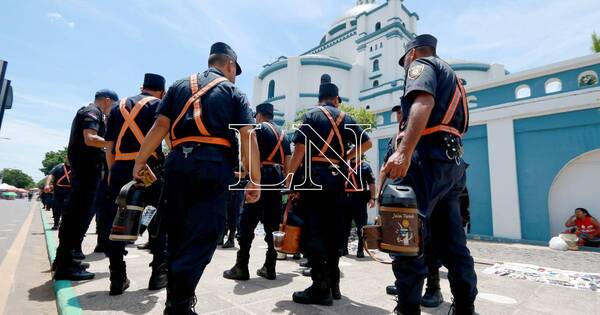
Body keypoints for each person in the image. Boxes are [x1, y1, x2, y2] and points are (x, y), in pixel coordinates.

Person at [133, 42, 261, 314]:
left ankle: (176, 303)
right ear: (229, 65)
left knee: (177, 234)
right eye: (235, 70)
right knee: (205, 235)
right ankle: (179, 304)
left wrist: (140, 159)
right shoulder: (233, 91)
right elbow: (248, 134)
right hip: (213, 166)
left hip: (177, 163)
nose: (235, 75)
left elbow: (160, 126)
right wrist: (254, 178)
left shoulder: (179, 86)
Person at [383, 34, 477, 314]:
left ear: (411, 54)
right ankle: (465, 306)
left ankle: (408, 308)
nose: (406, 70)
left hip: (426, 159)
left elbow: (422, 102)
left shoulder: (421, 65)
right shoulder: (454, 78)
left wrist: (403, 151)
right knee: (453, 242)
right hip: (451, 163)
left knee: (405, 236)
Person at [286, 77, 373, 305]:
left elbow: (299, 151)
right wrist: (346, 157)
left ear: (319, 99)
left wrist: (289, 179)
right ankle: (334, 285)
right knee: (334, 233)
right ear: (336, 100)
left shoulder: (312, 116)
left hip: (313, 181)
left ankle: (320, 288)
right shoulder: (348, 118)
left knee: (313, 232)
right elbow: (367, 144)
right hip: (338, 183)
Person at [104, 73, 167, 295]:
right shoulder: (159, 104)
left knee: (117, 220)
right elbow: (166, 139)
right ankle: (158, 274)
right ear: (162, 90)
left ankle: (117, 277)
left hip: (120, 168)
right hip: (149, 169)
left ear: (142, 86)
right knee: (155, 219)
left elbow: (109, 147)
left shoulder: (116, 107)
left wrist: (112, 172)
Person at [54, 89, 118, 281]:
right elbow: (90, 138)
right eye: (114, 106)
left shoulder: (90, 112)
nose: (113, 110)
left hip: (85, 172)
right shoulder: (93, 112)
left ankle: (66, 259)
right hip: (86, 172)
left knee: (76, 217)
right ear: (107, 101)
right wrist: (112, 144)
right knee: (76, 217)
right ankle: (66, 266)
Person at [223, 102, 291, 281]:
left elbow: (247, 156)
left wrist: (246, 173)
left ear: (259, 115)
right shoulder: (284, 135)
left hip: (259, 178)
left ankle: (241, 266)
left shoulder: (257, 129)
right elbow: (288, 163)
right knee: (272, 225)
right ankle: (270, 266)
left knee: (247, 222)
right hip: (277, 181)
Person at [342, 157, 376, 258]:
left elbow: (371, 183)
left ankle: (360, 249)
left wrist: (373, 198)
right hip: (345, 199)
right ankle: (344, 248)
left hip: (359, 200)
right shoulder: (344, 166)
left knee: (361, 227)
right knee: (344, 226)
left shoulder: (365, 167)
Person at [45, 159, 72, 230]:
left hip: (70, 190)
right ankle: (56, 224)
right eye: (67, 158)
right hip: (58, 190)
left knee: (67, 207)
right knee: (56, 206)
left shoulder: (76, 166)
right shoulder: (59, 167)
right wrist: (47, 184)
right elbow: (50, 175)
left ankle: (65, 223)